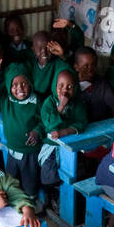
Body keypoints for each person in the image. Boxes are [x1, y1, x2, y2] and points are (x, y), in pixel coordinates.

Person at [0, 58, 44, 201]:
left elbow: (45, 121)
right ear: (8, 86)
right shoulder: (5, 101)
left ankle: (30, 204)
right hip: (12, 151)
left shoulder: (37, 101)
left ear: (30, 83)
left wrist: (37, 131)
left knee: (30, 182)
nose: (19, 88)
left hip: (30, 152)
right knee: (11, 179)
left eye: (24, 83)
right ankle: (14, 205)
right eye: (14, 85)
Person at [38, 67, 89, 210]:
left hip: (71, 144)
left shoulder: (77, 103)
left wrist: (66, 131)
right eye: (60, 85)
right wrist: (61, 106)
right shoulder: (49, 102)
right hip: (52, 146)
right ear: (55, 86)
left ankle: (69, 199)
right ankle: (52, 197)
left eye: (70, 87)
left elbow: (82, 123)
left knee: (75, 172)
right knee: (49, 173)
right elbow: (49, 124)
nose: (65, 90)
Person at [67, 46, 114, 122]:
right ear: (76, 67)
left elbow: (113, 102)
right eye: (86, 66)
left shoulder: (101, 84)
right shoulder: (70, 87)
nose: (90, 70)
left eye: (93, 65)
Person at [27, 31, 72, 101]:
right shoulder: (30, 64)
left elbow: (68, 68)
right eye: (39, 49)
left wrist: (62, 55)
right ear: (33, 50)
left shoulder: (56, 62)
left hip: (51, 102)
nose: (44, 52)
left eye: (47, 48)